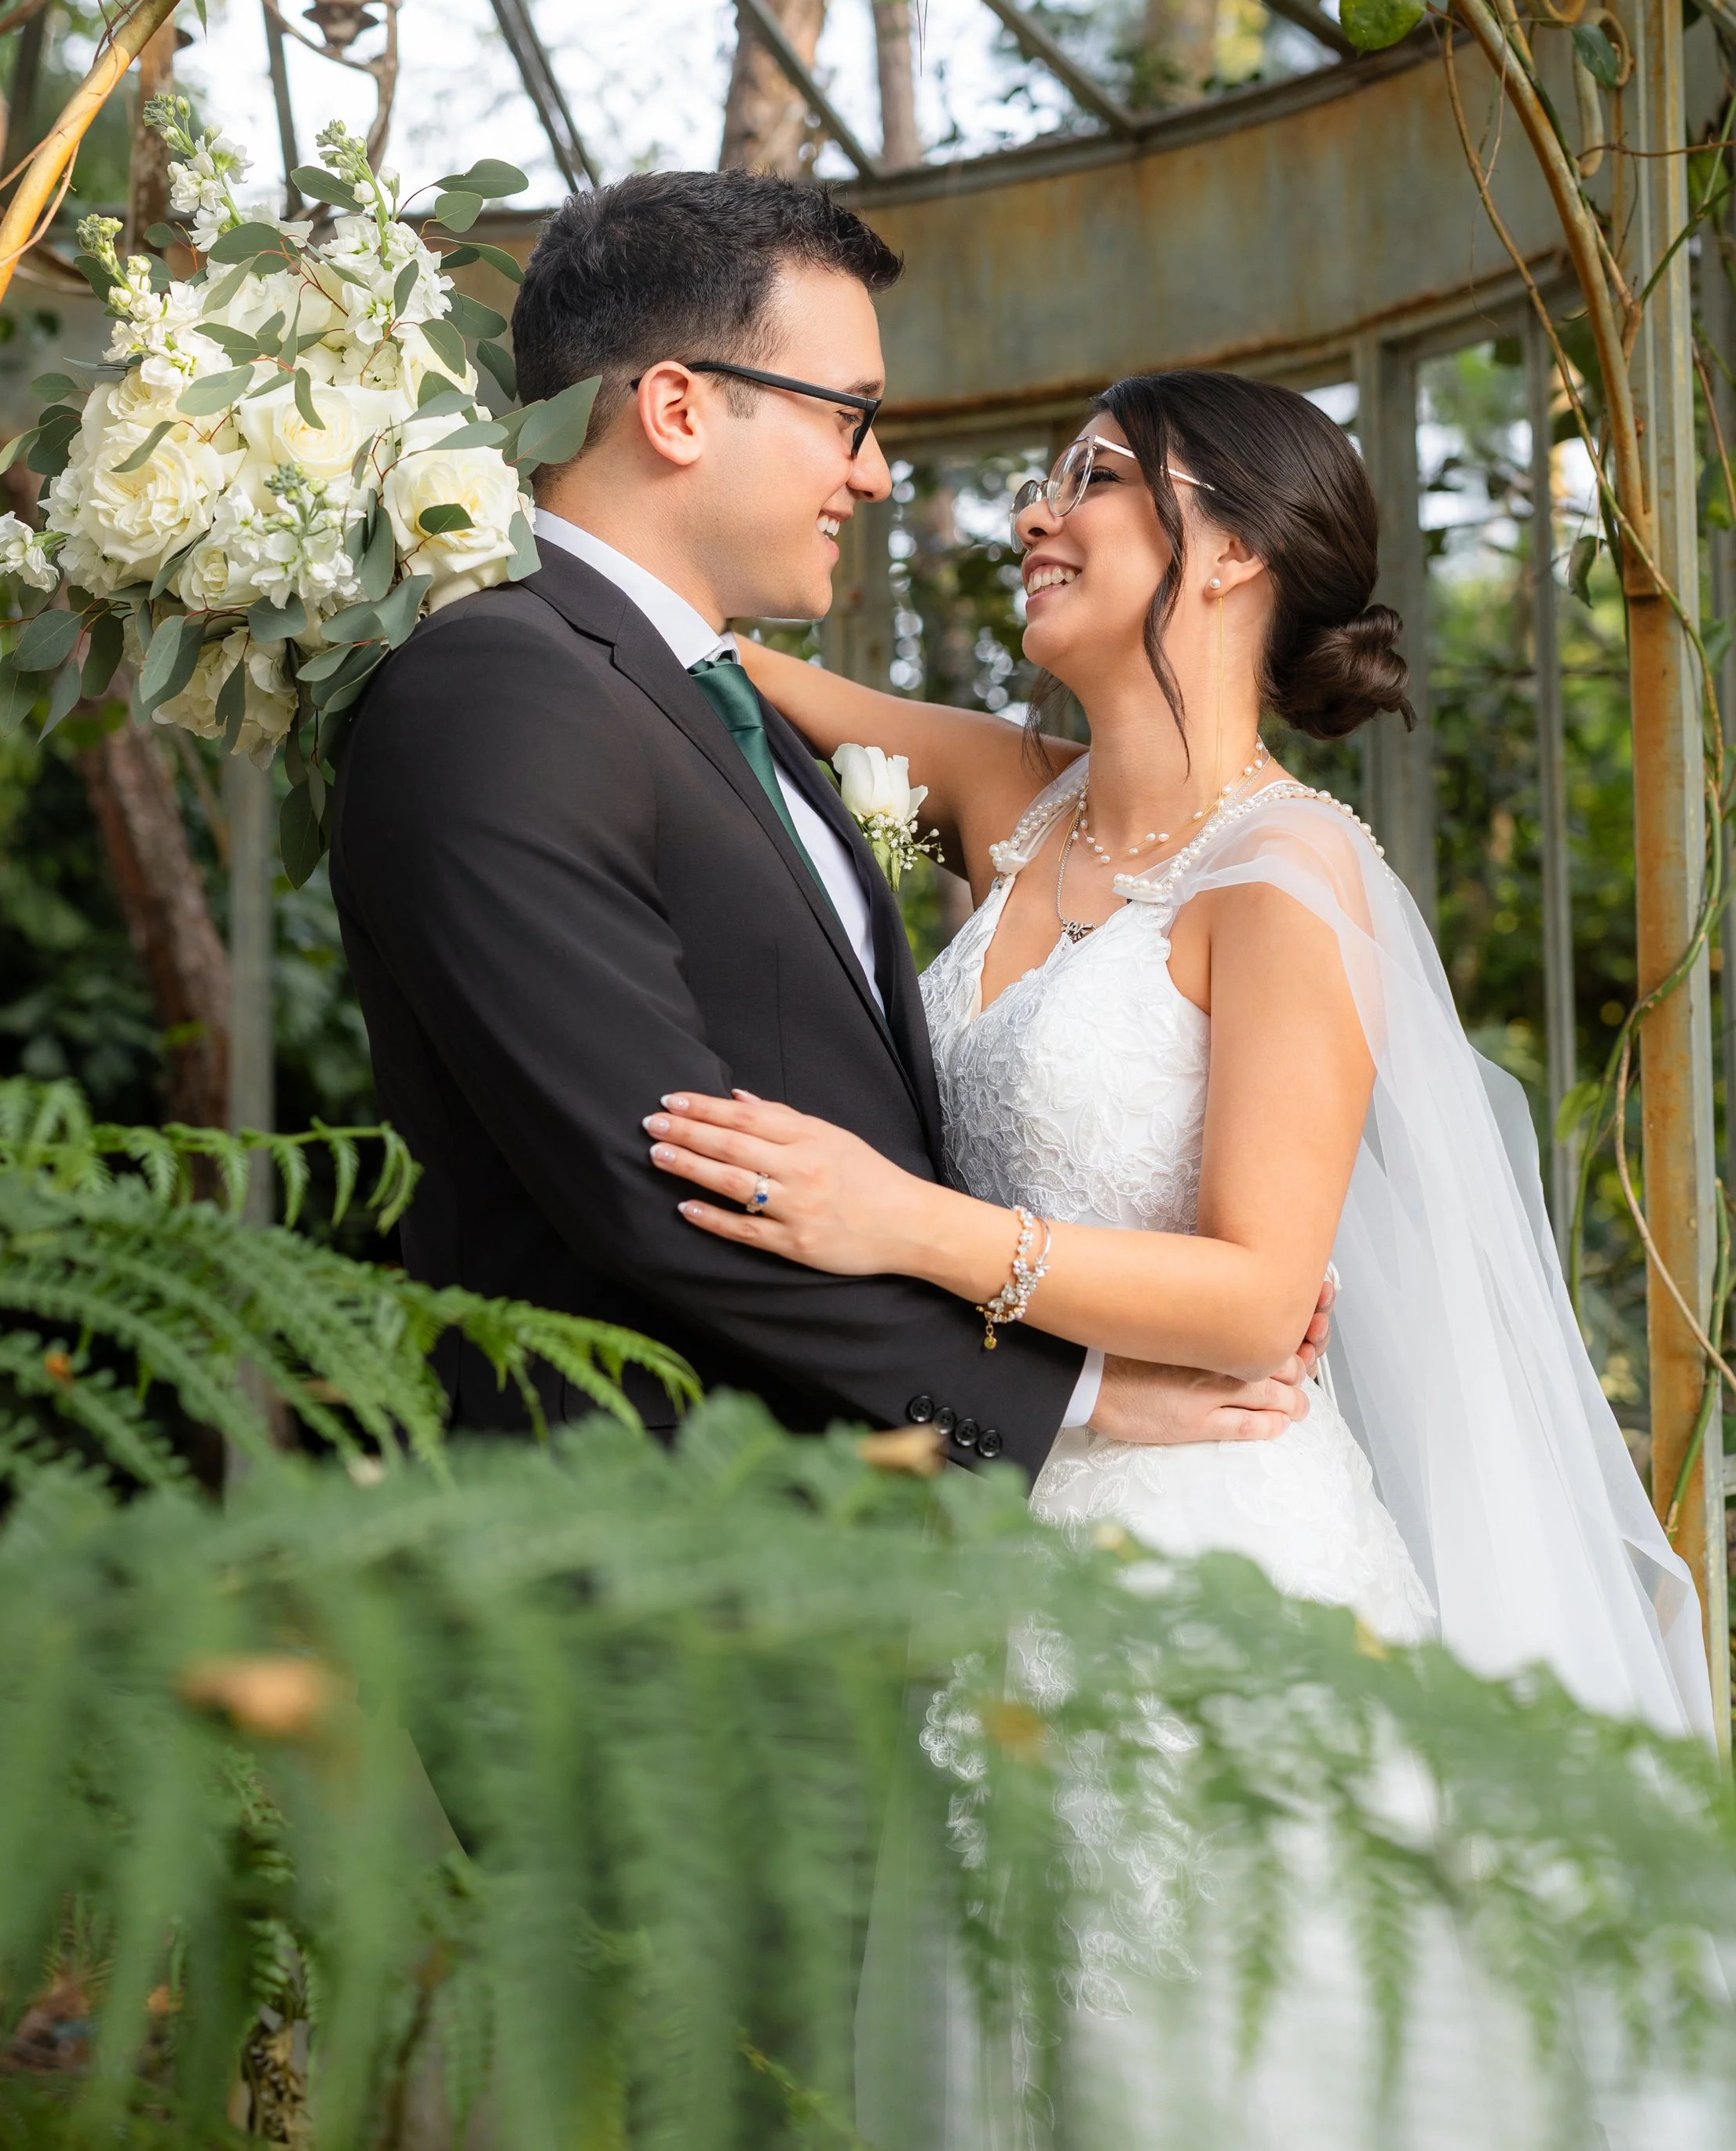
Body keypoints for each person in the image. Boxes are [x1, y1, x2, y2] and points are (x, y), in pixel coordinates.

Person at [643, 371, 1714, 1744]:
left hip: (1220, 1554)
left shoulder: (1287, 870)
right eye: (1044, 479)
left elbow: (1263, 1300)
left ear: (1235, 548)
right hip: (1003, 1537)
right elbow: (694, 660)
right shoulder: (1009, 796)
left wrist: (901, 1223)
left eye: (1091, 477)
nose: (1035, 514)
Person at [330, 177, 1328, 1464]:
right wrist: (1075, 1399)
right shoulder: (498, 689)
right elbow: (663, 1176)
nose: (875, 472)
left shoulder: (701, 698)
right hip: (659, 1538)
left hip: (863, 1533)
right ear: (679, 409)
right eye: (850, 417)